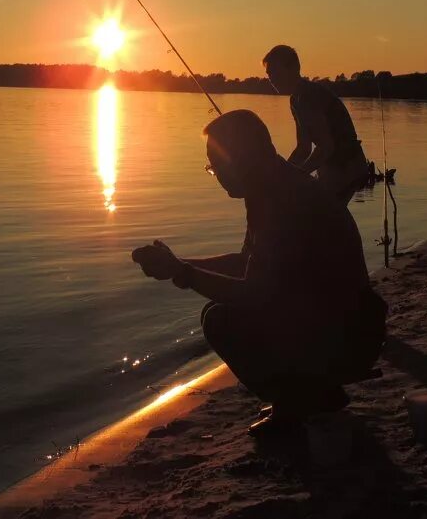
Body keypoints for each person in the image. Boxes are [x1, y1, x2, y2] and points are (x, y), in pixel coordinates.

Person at [131, 110, 386, 439]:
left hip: (347, 339)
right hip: (346, 326)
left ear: (245, 159)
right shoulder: (275, 186)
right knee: (222, 311)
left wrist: (185, 274)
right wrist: (181, 264)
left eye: (217, 165)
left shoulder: (282, 200)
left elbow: (255, 293)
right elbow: (246, 262)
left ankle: (298, 402)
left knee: (222, 320)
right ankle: (314, 394)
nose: (216, 174)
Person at [262, 44, 369, 204]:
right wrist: (282, 172)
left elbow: (326, 147)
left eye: (274, 72)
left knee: (317, 214)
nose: (271, 79)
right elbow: (303, 148)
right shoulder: (295, 100)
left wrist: (296, 176)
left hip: (346, 166)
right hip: (333, 166)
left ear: (293, 68)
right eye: (269, 74)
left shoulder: (308, 96)